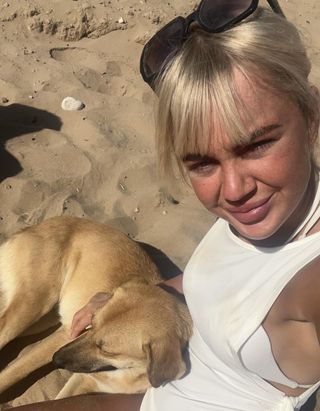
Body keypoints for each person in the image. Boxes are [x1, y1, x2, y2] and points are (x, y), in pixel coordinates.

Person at [8, 0, 320, 410]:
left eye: (258, 144)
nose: (234, 189)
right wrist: (134, 298)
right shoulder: (267, 214)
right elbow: (226, 283)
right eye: (202, 162)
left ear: (312, 114)